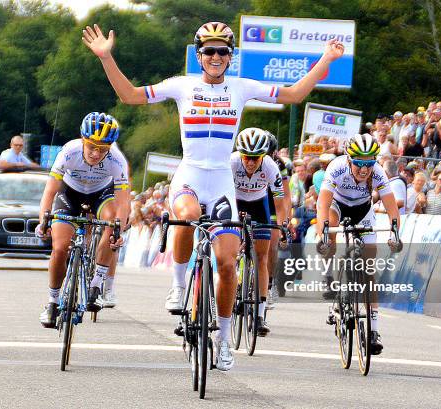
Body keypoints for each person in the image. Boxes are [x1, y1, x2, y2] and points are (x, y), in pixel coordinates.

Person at [83, 21, 344, 371]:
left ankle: (222, 340)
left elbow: (294, 94)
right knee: (188, 217)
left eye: (223, 51)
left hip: (221, 181)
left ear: (231, 55)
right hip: (189, 176)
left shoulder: (241, 87)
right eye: (209, 51)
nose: (216, 56)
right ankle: (177, 288)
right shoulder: (181, 85)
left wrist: (325, 60)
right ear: (199, 55)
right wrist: (105, 58)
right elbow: (129, 95)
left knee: (227, 263)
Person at [36, 112, 131, 328]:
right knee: (59, 247)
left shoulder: (117, 160)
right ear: (82, 140)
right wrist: (43, 220)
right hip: (70, 193)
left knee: (112, 222)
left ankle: (96, 284)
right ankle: (52, 301)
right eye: (91, 147)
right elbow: (49, 192)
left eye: (103, 149)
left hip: (101, 194)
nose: (96, 153)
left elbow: (123, 202)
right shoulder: (69, 152)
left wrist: (119, 231)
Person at [317, 134, 400, 355]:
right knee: (330, 233)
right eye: (359, 164)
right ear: (348, 160)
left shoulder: (379, 173)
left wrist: (395, 233)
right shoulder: (336, 168)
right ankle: (331, 278)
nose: (364, 170)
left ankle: (374, 331)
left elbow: (392, 209)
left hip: (363, 212)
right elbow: (322, 205)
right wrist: (323, 235)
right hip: (337, 207)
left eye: (369, 164)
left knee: (369, 269)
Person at [231, 128, 286, 335]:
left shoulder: (271, 167)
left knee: (262, 258)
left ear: (263, 156)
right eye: (247, 157)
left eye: (256, 158)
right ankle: (235, 277)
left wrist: (279, 226)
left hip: (258, 204)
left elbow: (279, 203)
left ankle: (260, 315)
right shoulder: (232, 162)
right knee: (230, 249)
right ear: (241, 154)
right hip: (235, 202)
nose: (251, 162)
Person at [265, 131, 292, 309]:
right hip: (248, 199)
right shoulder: (244, 160)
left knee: (272, 244)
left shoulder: (279, 164)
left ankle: (269, 283)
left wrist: (285, 222)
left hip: (272, 201)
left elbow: (286, 196)